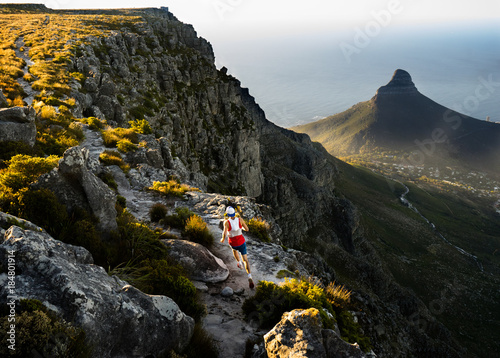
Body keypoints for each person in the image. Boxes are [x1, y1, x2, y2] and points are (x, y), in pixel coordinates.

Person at [220, 206, 254, 289]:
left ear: (227, 214)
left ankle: (239, 262)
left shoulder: (226, 222)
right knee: (246, 260)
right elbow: (247, 229)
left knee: (234, 250)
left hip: (233, 243)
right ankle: (249, 276)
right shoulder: (240, 220)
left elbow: (224, 233)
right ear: (234, 213)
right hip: (241, 242)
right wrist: (240, 227)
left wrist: (223, 238)